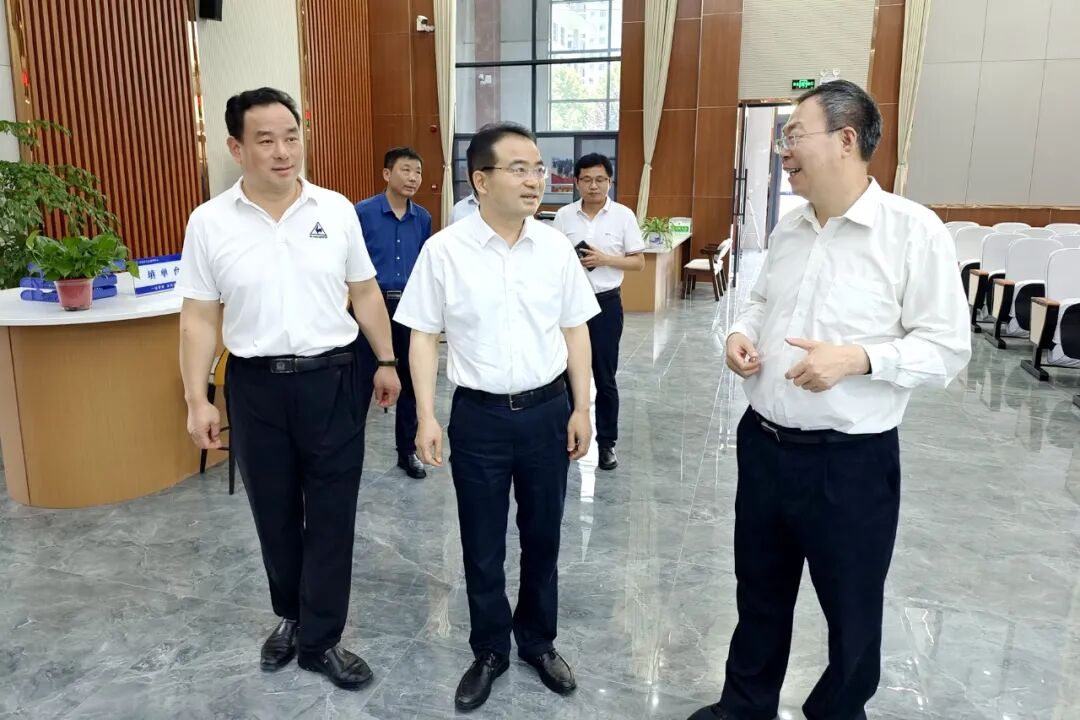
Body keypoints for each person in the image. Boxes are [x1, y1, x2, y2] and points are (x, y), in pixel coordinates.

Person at [688, 80, 971, 720]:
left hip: (850, 463)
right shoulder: (790, 228)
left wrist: (858, 358)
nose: (785, 150)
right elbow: (761, 301)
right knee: (759, 591)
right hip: (765, 445)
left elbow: (948, 349)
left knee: (851, 605)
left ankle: (839, 712)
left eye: (795, 135)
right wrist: (739, 334)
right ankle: (745, 706)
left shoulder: (912, 232)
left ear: (846, 140)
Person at [178, 87, 401, 692]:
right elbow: (199, 316)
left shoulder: (336, 209)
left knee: (331, 512)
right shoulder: (210, 221)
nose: (283, 151)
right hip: (254, 386)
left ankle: (321, 639)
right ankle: (292, 615)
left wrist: (386, 359)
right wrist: (198, 397)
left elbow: (364, 292)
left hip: (333, 378)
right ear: (237, 148)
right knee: (273, 512)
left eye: (291, 137)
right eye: (266, 140)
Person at [394, 122, 599, 711]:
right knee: (481, 542)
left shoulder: (555, 247)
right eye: (519, 169)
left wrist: (582, 407)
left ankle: (537, 641)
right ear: (480, 181)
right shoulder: (445, 251)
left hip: (546, 413)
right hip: (479, 418)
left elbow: (576, 330)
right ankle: (489, 648)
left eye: (538, 168)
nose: (535, 180)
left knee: (543, 536)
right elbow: (422, 336)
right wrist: (425, 416)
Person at [553, 153, 644, 470]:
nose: (594, 185)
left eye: (600, 179)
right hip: (569, 308)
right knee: (565, 375)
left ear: (610, 181)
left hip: (605, 304)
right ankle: (567, 439)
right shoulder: (563, 216)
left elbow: (638, 261)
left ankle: (607, 444)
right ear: (576, 182)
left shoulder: (623, 216)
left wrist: (605, 259)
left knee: (605, 377)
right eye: (587, 179)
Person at [354, 146, 432, 479]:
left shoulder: (423, 218)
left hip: (408, 308)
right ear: (387, 174)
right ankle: (349, 450)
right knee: (359, 380)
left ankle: (407, 452)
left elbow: (424, 266)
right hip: (370, 306)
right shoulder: (362, 213)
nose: (413, 178)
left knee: (411, 381)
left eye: (418, 172)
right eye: (406, 170)